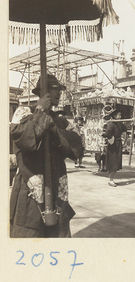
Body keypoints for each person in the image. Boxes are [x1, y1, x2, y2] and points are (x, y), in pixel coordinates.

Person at [10, 74, 82, 238]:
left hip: (57, 187)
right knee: (29, 236)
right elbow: (24, 140)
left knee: (57, 236)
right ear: (43, 92)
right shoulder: (23, 114)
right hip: (30, 188)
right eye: (54, 90)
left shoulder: (60, 120)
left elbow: (77, 147)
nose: (59, 94)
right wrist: (40, 112)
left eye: (60, 90)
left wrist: (54, 130)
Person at [102, 108, 127, 187]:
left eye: (120, 115)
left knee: (117, 161)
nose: (120, 116)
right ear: (114, 116)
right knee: (113, 162)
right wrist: (111, 139)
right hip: (113, 145)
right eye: (118, 115)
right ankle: (111, 180)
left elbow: (125, 129)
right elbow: (106, 133)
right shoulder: (111, 123)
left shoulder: (119, 124)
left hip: (118, 144)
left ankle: (112, 179)